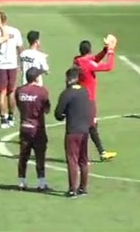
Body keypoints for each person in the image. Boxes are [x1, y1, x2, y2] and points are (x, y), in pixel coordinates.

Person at [73, 35, 118, 161]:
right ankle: (95, 152)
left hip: (81, 98)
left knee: (92, 126)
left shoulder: (78, 60)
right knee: (90, 126)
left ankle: (101, 152)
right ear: (89, 50)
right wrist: (110, 51)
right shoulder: (88, 64)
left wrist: (104, 49)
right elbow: (108, 66)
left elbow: (94, 59)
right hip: (88, 100)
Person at [54, 67, 93, 198]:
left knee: (72, 159)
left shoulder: (67, 93)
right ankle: (83, 188)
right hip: (85, 130)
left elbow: (58, 114)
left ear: (69, 79)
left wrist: (64, 114)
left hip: (72, 130)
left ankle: (72, 189)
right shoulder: (84, 92)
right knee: (83, 159)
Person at [15, 67, 50, 191]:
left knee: (23, 155)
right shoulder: (42, 92)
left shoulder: (19, 91)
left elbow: (19, 106)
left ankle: (21, 182)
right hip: (37, 128)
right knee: (40, 156)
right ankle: (41, 183)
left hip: (24, 126)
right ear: (36, 78)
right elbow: (46, 109)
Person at [0, 11, 23, 128]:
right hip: (12, 64)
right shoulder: (15, 31)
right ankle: (11, 116)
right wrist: (20, 63)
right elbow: (20, 47)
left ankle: (3, 118)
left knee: (2, 92)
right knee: (11, 91)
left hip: (0, 64)